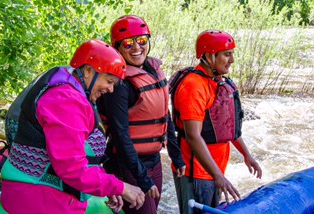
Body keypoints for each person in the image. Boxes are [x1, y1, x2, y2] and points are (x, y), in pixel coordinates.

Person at [1, 39, 145, 214]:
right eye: (109, 81)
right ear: (88, 71)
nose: (111, 90)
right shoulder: (65, 100)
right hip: (41, 200)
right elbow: (72, 169)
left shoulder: (68, 87)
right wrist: (121, 187)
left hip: (44, 196)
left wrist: (108, 187)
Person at [97, 15, 185, 214]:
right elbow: (120, 136)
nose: (136, 48)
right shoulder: (119, 84)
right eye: (128, 44)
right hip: (128, 165)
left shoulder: (153, 71)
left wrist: (176, 155)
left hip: (154, 161)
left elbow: (164, 115)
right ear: (117, 47)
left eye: (142, 41)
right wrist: (142, 179)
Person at [169, 30, 263, 214]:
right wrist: (218, 176)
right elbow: (193, 136)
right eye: (227, 54)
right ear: (209, 56)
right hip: (196, 172)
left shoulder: (217, 81)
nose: (232, 60)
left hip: (214, 171)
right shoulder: (194, 86)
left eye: (232, 54)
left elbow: (226, 127)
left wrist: (246, 154)